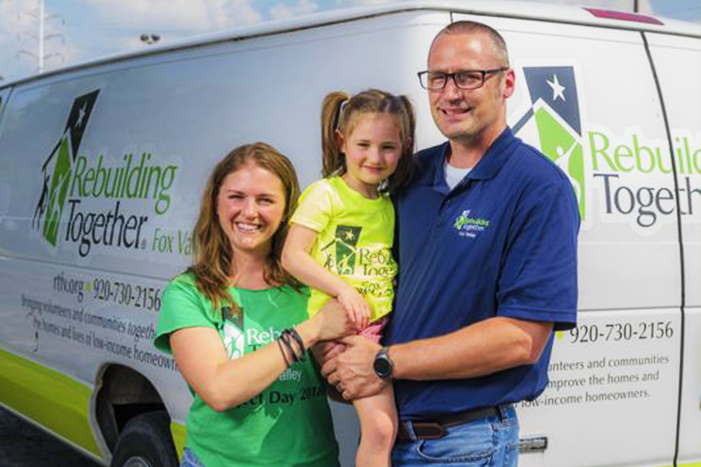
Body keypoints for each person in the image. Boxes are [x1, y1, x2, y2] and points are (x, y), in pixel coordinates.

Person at [320, 21, 580, 466]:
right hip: (389, 434)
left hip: (466, 444)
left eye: (469, 76)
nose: (450, 92)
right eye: (438, 77)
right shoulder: (408, 175)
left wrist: (383, 362)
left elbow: (520, 339)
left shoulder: (539, 188)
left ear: (507, 83)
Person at [153, 142, 356, 467]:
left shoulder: (311, 286)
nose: (250, 212)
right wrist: (313, 331)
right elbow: (220, 390)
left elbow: (335, 389)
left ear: (287, 209)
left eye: (265, 200)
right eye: (237, 197)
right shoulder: (189, 293)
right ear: (216, 202)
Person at [282, 89, 415, 467]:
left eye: (388, 147)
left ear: (403, 148)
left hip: (375, 330)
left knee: (385, 428)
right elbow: (292, 256)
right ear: (341, 141)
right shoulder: (326, 195)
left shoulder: (387, 204)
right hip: (340, 329)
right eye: (364, 145)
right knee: (381, 430)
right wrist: (343, 290)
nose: (375, 157)